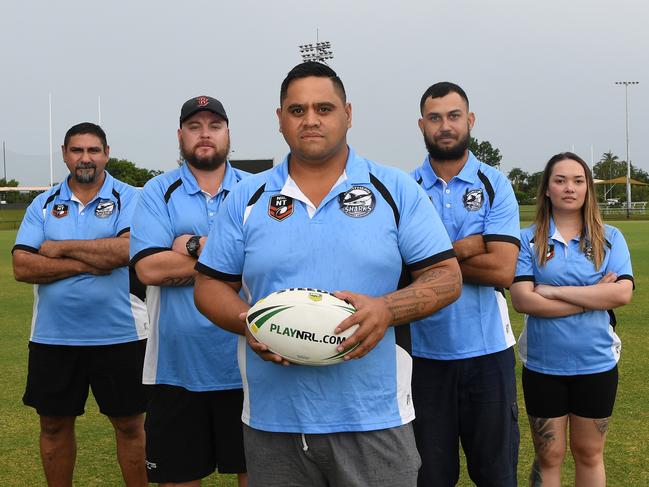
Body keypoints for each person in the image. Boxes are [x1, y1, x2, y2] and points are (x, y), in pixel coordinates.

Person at [192, 61, 462, 487]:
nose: (311, 120)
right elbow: (209, 285)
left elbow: (446, 277)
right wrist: (249, 324)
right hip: (273, 420)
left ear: (348, 114)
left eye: (324, 108)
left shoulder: (394, 189)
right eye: (297, 110)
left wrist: (386, 309)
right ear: (280, 119)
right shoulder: (247, 196)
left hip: (375, 418)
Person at [12, 122, 148, 486]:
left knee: (130, 425)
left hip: (120, 335)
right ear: (64, 154)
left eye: (93, 150)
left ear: (106, 153)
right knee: (53, 424)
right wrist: (88, 261)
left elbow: (126, 250)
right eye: (77, 150)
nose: (85, 158)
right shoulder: (43, 204)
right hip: (53, 337)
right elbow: (22, 265)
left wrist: (58, 248)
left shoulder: (130, 197)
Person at [129, 96, 248, 487]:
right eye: (195, 127)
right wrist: (230, 256)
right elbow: (149, 268)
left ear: (228, 133)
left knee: (259, 475)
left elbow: (267, 262)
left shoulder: (257, 189)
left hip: (248, 362)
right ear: (181, 135)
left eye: (214, 126)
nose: (205, 134)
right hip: (176, 368)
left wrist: (191, 246)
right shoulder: (156, 191)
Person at [410, 82, 521, 487]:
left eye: (454, 116)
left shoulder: (495, 184)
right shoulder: (406, 190)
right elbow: (402, 271)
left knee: (496, 475)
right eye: (435, 118)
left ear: (469, 121)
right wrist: (469, 246)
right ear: (422, 125)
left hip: (489, 353)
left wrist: (433, 258)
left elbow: (502, 270)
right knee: (430, 478)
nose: (445, 126)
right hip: (424, 357)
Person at [509, 152, 633, 487]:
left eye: (578, 181)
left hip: (596, 365)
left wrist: (550, 292)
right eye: (560, 180)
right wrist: (592, 297)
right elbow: (522, 300)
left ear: (588, 189)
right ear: (547, 189)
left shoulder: (610, 238)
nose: (569, 188)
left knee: (590, 453)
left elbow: (621, 295)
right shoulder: (527, 239)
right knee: (549, 457)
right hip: (543, 366)